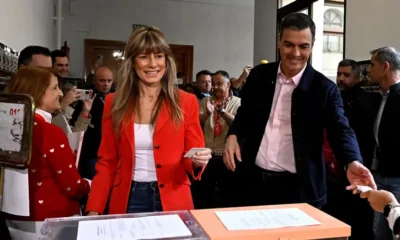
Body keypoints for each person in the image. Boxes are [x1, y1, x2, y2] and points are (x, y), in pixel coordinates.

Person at [223, 13, 376, 208]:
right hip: (254, 183)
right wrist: (233, 134)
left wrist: (352, 160)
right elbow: (245, 113)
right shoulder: (259, 76)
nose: (295, 53)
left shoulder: (324, 89)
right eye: (289, 44)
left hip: (300, 190)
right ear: (279, 41)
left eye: (303, 46)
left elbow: (340, 129)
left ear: (312, 46)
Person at [85, 26, 211, 215]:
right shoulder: (114, 102)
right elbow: (107, 161)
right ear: (133, 63)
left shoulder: (186, 101)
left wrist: (198, 161)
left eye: (159, 56)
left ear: (167, 61)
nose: (153, 64)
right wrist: (94, 208)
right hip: (128, 198)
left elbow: (191, 156)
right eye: (144, 56)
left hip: (174, 197)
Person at [4, 67, 90, 239]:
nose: (60, 93)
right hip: (51, 220)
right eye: (54, 87)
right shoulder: (49, 131)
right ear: (37, 91)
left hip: (14, 217)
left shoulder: (7, 127)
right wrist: (90, 185)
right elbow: (71, 186)